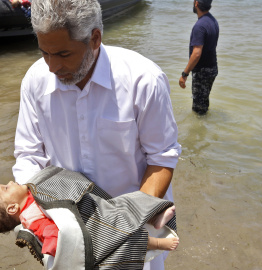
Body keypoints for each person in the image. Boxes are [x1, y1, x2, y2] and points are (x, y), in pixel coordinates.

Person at [12, 0, 181, 269]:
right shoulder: (35, 81)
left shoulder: (144, 80)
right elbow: (29, 155)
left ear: (95, 38)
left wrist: (125, 227)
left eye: (64, 54)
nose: (52, 67)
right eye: (44, 53)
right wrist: (37, 214)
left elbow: (161, 160)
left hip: (136, 230)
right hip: (66, 231)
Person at [0, 166, 179, 269]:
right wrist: (55, 249)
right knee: (127, 237)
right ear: (12, 208)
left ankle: (154, 217)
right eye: (6, 187)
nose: (11, 181)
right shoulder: (31, 217)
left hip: (93, 210)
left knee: (124, 207)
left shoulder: (30, 195)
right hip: (89, 231)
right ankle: (159, 242)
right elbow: (56, 239)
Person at [179, 0, 219, 115]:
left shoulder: (200, 26)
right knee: (203, 103)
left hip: (203, 72)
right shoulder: (212, 20)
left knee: (198, 110)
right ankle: (206, 129)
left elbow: (196, 53)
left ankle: (199, 131)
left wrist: (184, 74)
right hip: (212, 68)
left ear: (196, 3)